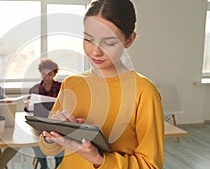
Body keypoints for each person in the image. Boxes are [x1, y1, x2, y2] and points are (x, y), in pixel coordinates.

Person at [39, 0, 164, 169]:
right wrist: (50, 134)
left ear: (129, 40)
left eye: (109, 42)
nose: (95, 51)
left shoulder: (144, 92)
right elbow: (50, 149)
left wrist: (98, 159)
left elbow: (150, 165)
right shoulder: (71, 84)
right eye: (88, 39)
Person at [25, 58, 63, 169]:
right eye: (43, 74)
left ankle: (59, 165)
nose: (46, 77)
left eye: (50, 74)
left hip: (57, 123)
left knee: (59, 139)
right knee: (37, 142)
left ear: (54, 74)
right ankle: (44, 165)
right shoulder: (34, 89)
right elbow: (28, 113)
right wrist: (27, 106)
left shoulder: (62, 87)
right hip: (39, 124)